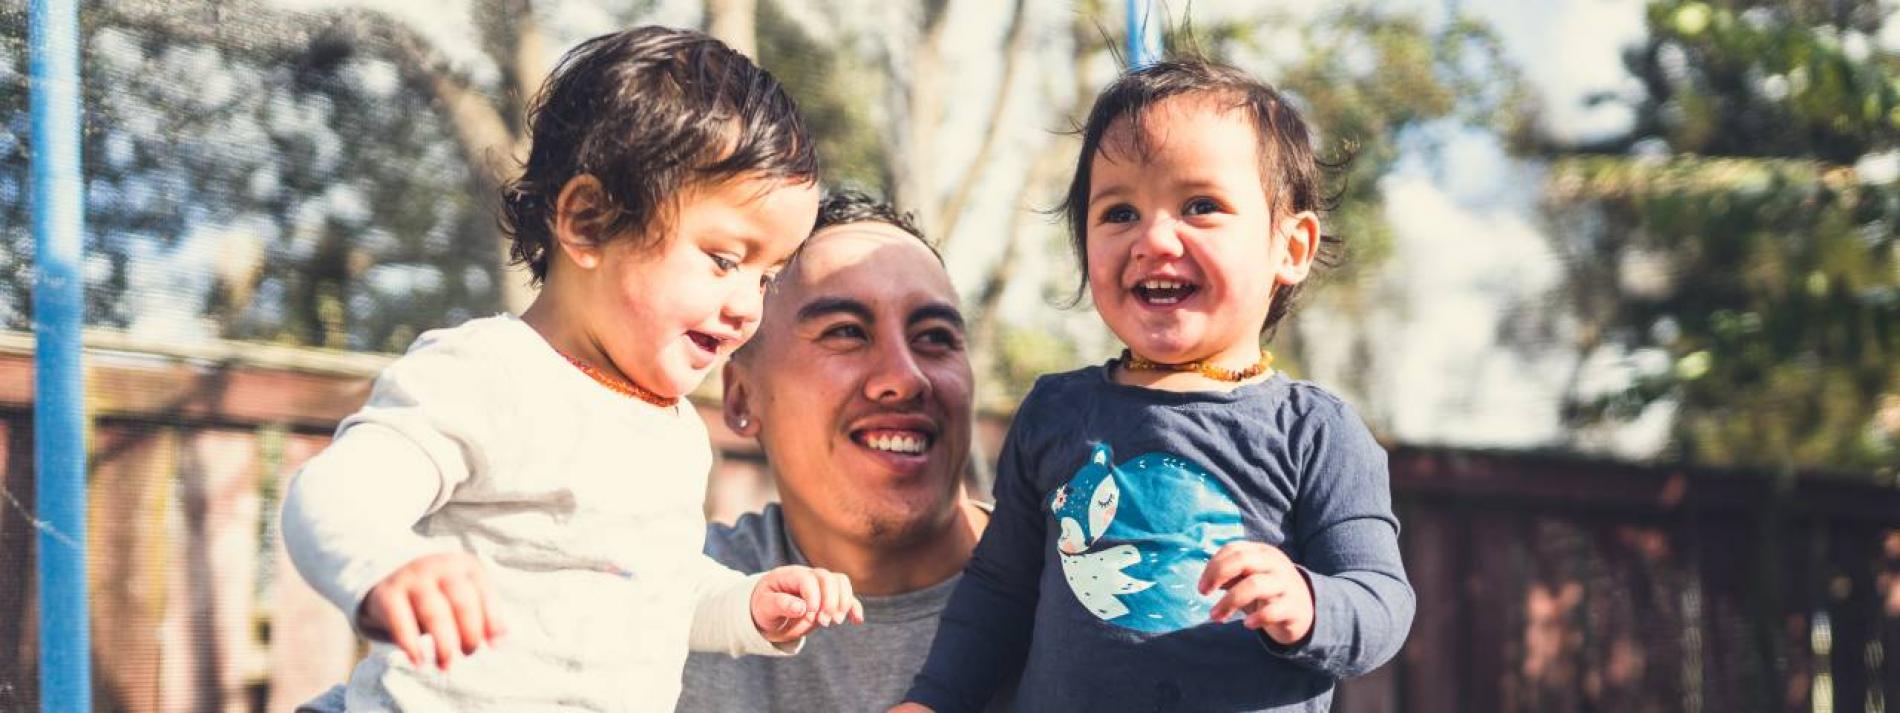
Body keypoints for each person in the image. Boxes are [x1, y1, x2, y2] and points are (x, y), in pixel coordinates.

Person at [280, 26, 862, 713]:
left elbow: (655, 587)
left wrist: (745, 605)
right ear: (587, 221)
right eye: (724, 259)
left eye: (767, 278)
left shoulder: (672, 428)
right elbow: (333, 494)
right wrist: (384, 566)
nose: (745, 306)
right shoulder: (491, 373)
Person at [899, 55, 1416, 713]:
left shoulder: (1314, 431)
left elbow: (1382, 597)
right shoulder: (1059, 412)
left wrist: (1312, 602)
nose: (1154, 238)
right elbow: (999, 593)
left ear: (1292, 247)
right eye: (1118, 212)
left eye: (1200, 205)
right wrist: (934, 698)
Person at [677, 190, 1003, 713]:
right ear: (741, 398)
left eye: (935, 337)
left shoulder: (1085, 595)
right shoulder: (661, 598)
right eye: (847, 332)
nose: (904, 377)